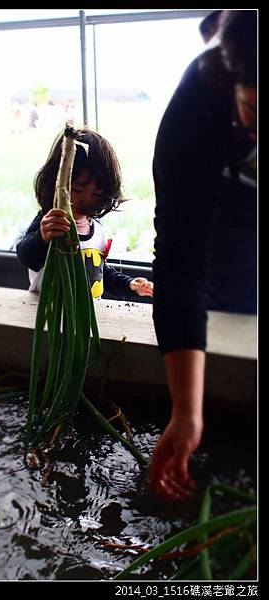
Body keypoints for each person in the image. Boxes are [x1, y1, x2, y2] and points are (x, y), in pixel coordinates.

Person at [149, 10, 257, 500]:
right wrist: (186, 411)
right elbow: (180, 253)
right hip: (232, 206)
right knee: (230, 308)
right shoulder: (201, 99)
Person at [16, 128, 153, 300]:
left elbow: (98, 273)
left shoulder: (98, 232)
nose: (85, 200)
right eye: (78, 190)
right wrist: (43, 237)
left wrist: (129, 285)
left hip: (87, 321)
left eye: (96, 194)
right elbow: (26, 256)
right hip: (50, 320)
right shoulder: (51, 222)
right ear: (56, 183)